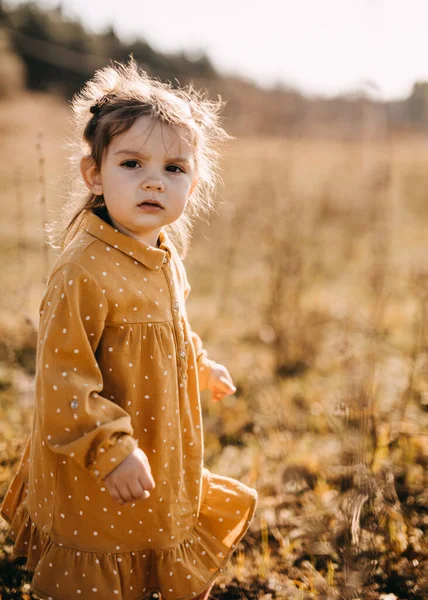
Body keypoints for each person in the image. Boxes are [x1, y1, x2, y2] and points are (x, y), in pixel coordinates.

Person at [0, 58, 258, 600]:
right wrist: (110, 448)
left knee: (147, 539)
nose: (153, 181)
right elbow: (62, 379)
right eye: (132, 163)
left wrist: (199, 363)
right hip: (102, 463)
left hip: (159, 439)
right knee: (104, 555)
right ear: (94, 173)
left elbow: (174, 330)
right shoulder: (82, 270)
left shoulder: (163, 253)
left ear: (194, 181)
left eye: (174, 168)